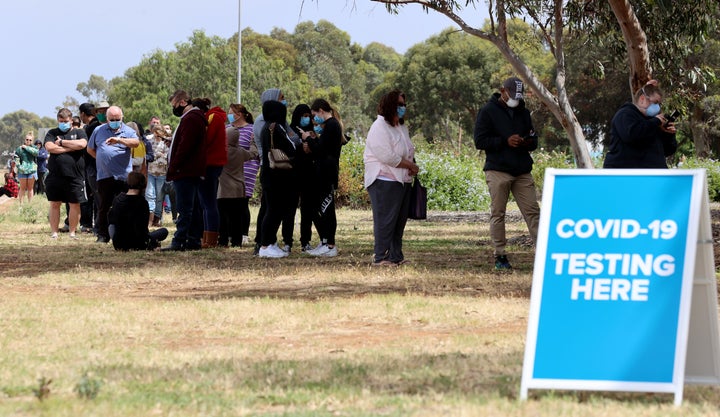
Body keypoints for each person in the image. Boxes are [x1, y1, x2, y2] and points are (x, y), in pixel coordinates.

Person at [473, 76, 540, 270]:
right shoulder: (487, 111)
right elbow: (480, 141)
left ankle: (544, 252)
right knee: (498, 213)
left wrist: (526, 142)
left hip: (522, 170)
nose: (515, 100)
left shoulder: (524, 112)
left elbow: (534, 140)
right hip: (498, 170)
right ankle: (500, 255)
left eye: (518, 97)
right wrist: (505, 141)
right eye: (512, 96)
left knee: (533, 212)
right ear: (503, 91)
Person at [364, 90, 419, 266]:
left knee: (398, 221)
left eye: (404, 104)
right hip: (384, 180)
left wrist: (412, 165)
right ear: (389, 105)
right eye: (399, 104)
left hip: (402, 180)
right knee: (385, 220)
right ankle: (380, 257)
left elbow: (407, 151)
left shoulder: (401, 127)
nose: (403, 107)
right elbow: (387, 156)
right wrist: (409, 165)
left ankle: (396, 256)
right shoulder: (379, 127)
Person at [87, 105, 140, 243]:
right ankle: (103, 235)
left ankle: (125, 233)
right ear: (107, 118)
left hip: (123, 176)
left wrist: (119, 140)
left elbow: (135, 143)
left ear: (122, 118)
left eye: (117, 119)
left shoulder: (128, 131)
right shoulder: (98, 130)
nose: (115, 121)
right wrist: (102, 159)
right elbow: (90, 149)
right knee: (104, 207)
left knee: (125, 206)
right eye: (112, 119)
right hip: (105, 176)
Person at [164, 90, 207, 251]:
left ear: (183, 102)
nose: (174, 108)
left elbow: (185, 146)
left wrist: (174, 166)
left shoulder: (191, 119)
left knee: (185, 208)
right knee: (193, 207)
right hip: (190, 170)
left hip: (186, 170)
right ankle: (193, 239)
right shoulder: (192, 119)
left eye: (174, 105)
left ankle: (180, 240)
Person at [300, 98, 344, 257]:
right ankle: (325, 241)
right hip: (323, 172)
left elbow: (320, 150)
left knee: (327, 209)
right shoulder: (330, 126)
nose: (313, 119)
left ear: (320, 110)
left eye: (314, 114)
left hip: (327, 173)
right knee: (323, 209)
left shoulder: (332, 125)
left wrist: (308, 139)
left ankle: (330, 244)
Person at [603, 81, 678, 168]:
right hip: (627, 174)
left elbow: (668, 151)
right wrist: (655, 122)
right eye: (655, 103)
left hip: (654, 175)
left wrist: (669, 135)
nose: (658, 107)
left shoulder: (653, 121)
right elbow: (632, 135)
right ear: (642, 99)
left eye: (659, 104)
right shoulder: (625, 114)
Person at [257, 100, 298, 258]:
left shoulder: (265, 127)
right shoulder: (277, 127)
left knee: (272, 209)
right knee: (274, 211)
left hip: (268, 175)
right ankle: (266, 245)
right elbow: (291, 147)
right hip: (277, 176)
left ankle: (269, 242)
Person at [44, 107, 88, 239]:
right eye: (61, 120)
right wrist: (70, 148)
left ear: (71, 120)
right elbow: (50, 147)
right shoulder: (52, 132)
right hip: (55, 176)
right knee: (54, 203)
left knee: (74, 204)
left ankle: (72, 232)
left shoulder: (79, 132)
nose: (63, 123)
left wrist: (62, 143)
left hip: (75, 176)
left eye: (66, 121)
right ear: (58, 120)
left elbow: (82, 145)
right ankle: (54, 232)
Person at [192, 98, 227, 248]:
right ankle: (206, 237)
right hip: (209, 163)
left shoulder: (212, 118)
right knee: (206, 204)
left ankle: (211, 239)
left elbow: (205, 139)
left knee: (209, 204)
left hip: (210, 164)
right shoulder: (212, 117)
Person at [108, 171, 168, 251]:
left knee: (112, 226)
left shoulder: (117, 200)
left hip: (120, 243)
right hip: (139, 243)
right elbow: (143, 227)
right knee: (164, 231)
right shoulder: (142, 202)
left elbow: (111, 220)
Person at [217, 126, 255, 247]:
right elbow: (253, 154)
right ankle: (236, 241)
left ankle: (223, 240)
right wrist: (253, 142)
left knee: (223, 217)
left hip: (223, 191)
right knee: (237, 218)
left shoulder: (221, 151)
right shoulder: (240, 152)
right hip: (238, 190)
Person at [228, 103, 259, 246]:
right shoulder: (228, 128)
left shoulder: (251, 129)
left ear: (238, 114)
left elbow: (253, 151)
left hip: (247, 169)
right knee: (230, 204)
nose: (228, 115)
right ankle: (231, 232)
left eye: (230, 112)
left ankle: (243, 233)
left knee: (242, 203)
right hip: (230, 171)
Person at [290, 103, 320, 252]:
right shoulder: (290, 131)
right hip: (294, 175)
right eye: (304, 116)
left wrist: (311, 144)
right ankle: (287, 241)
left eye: (309, 116)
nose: (307, 119)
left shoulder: (313, 132)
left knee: (307, 210)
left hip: (310, 176)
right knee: (290, 210)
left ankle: (305, 241)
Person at [146, 125, 170, 227]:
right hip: (151, 171)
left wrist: (160, 156)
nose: (157, 135)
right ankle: (150, 219)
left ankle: (157, 219)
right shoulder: (149, 140)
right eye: (156, 132)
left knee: (160, 197)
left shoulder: (166, 141)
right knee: (150, 195)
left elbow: (168, 156)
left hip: (162, 173)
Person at [15, 132, 39, 204]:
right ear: (24, 139)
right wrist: (19, 166)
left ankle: (29, 204)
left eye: (30, 140)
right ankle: (21, 205)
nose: (28, 141)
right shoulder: (19, 148)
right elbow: (16, 157)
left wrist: (26, 147)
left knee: (30, 188)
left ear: (32, 141)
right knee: (22, 188)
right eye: (27, 139)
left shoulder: (34, 147)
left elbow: (36, 153)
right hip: (22, 171)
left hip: (32, 170)